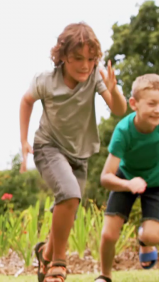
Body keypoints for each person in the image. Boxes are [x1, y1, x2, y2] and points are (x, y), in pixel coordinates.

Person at [19, 22, 127, 282]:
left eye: (91, 59)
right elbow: (26, 101)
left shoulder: (94, 78)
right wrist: (23, 141)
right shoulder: (46, 80)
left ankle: (45, 252)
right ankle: (58, 263)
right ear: (63, 55)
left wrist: (113, 89)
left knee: (68, 207)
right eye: (78, 58)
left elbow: (119, 110)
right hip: (49, 146)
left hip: (80, 154)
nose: (85, 65)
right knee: (69, 194)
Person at [95, 74, 159, 282]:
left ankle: (144, 242)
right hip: (126, 178)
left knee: (152, 236)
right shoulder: (123, 132)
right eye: (152, 104)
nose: (158, 110)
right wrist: (128, 184)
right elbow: (105, 177)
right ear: (134, 104)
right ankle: (105, 276)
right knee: (109, 234)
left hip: (157, 181)